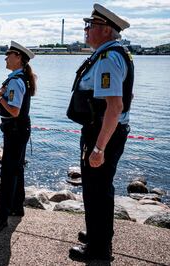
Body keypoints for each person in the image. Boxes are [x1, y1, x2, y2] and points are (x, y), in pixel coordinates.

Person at [67, 4, 134, 261]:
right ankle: (98, 233)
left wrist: (99, 148)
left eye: (90, 26)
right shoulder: (111, 54)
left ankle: (99, 249)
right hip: (102, 130)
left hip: (102, 133)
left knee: (97, 189)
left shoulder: (108, 59)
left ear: (106, 30)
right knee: (97, 187)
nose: (86, 30)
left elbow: (114, 106)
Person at [0, 41, 37, 235]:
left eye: (9, 55)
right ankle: (17, 206)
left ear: (18, 57)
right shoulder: (20, 77)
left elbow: (14, 111)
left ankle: (1, 219)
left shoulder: (16, 81)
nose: (5, 58)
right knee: (17, 168)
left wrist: (0, 98)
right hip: (19, 129)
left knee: (7, 175)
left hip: (15, 129)